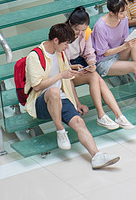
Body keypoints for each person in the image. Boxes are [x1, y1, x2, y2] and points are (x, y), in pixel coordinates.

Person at [24, 23, 120, 169]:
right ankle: (60, 130)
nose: (67, 48)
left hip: (60, 98)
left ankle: (96, 156)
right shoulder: (35, 56)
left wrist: (77, 102)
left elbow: (67, 82)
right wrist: (60, 75)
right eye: (65, 44)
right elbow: (37, 86)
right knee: (54, 92)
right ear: (55, 40)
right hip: (41, 102)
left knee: (79, 122)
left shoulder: (60, 52)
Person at [65, 6, 134, 130]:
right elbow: (60, 64)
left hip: (80, 62)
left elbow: (89, 52)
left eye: (83, 30)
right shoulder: (61, 35)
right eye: (77, 30)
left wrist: (92, 63)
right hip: (66, 67)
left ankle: (118, 115)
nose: (79, 33)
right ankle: (101, 115)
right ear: (70, 23)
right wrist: (73, 67)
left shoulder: (85, 33)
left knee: (97, 78)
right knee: (94, 77)